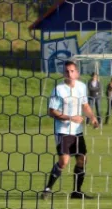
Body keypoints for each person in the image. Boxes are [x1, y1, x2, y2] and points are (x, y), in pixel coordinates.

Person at [41, 61, 99, 200]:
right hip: (62, 131)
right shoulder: (58, 90)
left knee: (82, 159)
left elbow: (85, 105)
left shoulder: (82, 86)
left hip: (77, 131)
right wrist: (70, 118)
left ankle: (77, 192)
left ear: (77, 73)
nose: (70, 74)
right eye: (67, 71)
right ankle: (48, 188)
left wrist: (92, 117)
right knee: (64, 161)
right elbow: (51, 112)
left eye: (72, 71)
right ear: (63, 74)